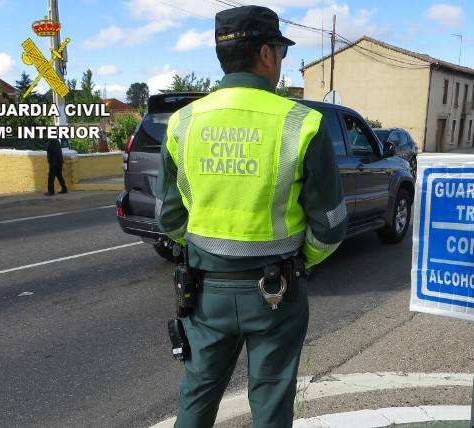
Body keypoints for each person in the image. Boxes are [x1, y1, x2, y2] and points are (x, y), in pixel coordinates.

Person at [155, 5, 347, 427]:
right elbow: (330, 225)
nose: (281, 61)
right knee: (272, 404)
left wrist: (205, 249)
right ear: (265, 53)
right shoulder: (302, 123)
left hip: (205, 291)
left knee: (197, 393)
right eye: (281, 51)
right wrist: (301, 259)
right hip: (277, 291)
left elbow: (168, 217)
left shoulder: (183, 123)